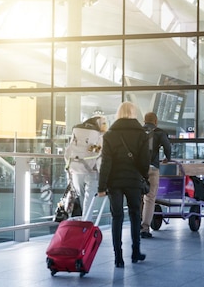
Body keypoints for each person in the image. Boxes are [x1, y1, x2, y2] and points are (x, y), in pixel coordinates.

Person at [98, 102, 150, 267]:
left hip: (114, 182)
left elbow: (106, 163)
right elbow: (144, 161)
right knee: (135, 215)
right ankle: (135, 252)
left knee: (117, 217)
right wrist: (143, 176)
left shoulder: (110, 135)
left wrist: (102, 186)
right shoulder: (142, 134)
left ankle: (118, 257)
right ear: (134, 113)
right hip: (134, 180)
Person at [64, 115, 107, 216]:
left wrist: (69, 167)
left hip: (76, 169)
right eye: (104, 123)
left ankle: (83, 223)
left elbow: (69, 150)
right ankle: (86, 224)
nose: (105, 126)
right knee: (89, 200)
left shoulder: (77, 131)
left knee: (82, 197)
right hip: (91, 170)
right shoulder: (99, 135)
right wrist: (102, 174)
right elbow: (100, 153)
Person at [140, 112, 172, 238]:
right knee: (150, 198)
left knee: (137, 197)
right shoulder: (159, 132)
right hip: (152, 168)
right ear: (156, 121)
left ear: (144, 120)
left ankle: (136, 225)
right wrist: (167, 158)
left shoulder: (138, 131)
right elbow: (167, 147)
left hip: (138, 169)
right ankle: (145, 228)